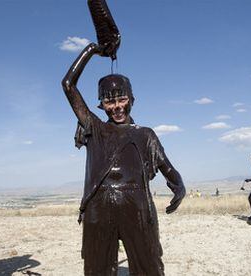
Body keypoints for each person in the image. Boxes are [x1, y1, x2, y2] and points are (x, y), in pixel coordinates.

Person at [61, 42, 185, 276]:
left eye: (121, 99)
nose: (117, 107)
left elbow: (167, 167)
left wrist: (180, 186)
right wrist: (91, 50)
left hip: (137, 207)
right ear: (102, 105)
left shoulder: (145, 134)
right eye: (109, 101)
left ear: (131, 99)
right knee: (97, 268)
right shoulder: (94, 128)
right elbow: (68, 85)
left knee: (149, 266)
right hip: (99, 208)